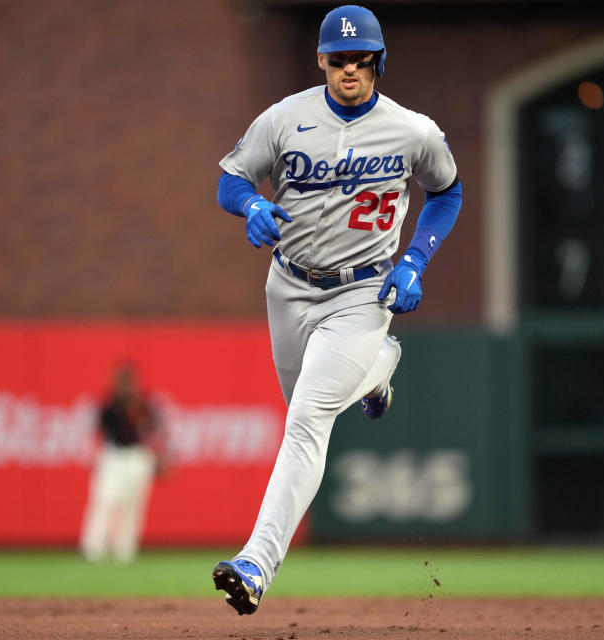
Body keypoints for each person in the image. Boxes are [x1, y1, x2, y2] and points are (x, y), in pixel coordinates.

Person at [211, 4, 462, 615]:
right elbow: (230, 180)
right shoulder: (284, 118)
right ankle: (380, 371)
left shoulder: (412, 130)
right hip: (288, 287)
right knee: (304, 404)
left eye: (362, 58)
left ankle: (256, 563)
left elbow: (447, 190)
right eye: (339, 58)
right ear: (321, 59)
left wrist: (414, 261)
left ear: (378, 61)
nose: (351, 68)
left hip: (362, 292)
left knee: (306, 421)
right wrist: (250, 207)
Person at [79, 363, 162, 564]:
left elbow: (155, 428)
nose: (126, 385)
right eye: (122, 381)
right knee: (105, 500)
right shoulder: (110, 404)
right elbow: (102, 429)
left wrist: (159, 454)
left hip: (137, 456)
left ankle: (125, 548)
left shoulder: (143, 402)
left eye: (129, 380)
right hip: (113, 455)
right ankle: (94, 546)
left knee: (133, 504)